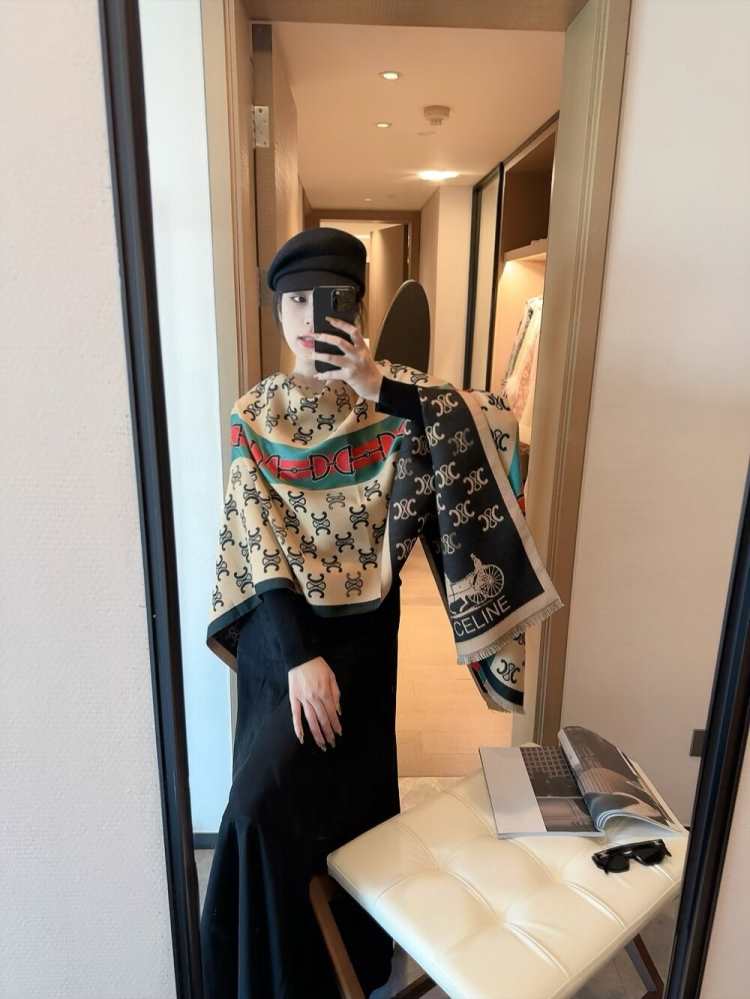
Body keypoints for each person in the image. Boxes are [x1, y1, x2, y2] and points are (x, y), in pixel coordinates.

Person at [199, 228, 562, 998]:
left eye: (328, 301)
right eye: (295, 301)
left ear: (355, 311)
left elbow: (489, 424)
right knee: (260, 808)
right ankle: (266, 977)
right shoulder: (253, 412)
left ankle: (353, 961)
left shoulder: (396, 398)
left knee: (351, 806)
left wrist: (379, 388)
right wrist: (299, 658)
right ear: (276, 311)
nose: (310, 318)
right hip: (282, 643)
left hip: (364, 642)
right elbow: (254, 539)